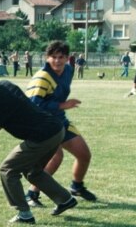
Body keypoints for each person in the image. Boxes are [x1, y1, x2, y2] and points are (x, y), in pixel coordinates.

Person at [0, 65, 78, 224]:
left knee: (8, 169)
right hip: (55, 130)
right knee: (33, 171)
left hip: (42, 136)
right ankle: (65, 199)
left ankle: (24, 214)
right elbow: (4, 116)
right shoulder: (5, 85)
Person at [24, 41, 96, 206]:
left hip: (59, 120)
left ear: (67, 58)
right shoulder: (42, 77)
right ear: (46, 58)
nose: (57, 61)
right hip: (42, 124)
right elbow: (33, 105)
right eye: (53, 57)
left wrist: (60, 108)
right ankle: (31, 194)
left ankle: (77, 187)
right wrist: (63, 105)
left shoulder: (68, 70)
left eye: (61, 57)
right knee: (56, 157)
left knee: (84, 154)